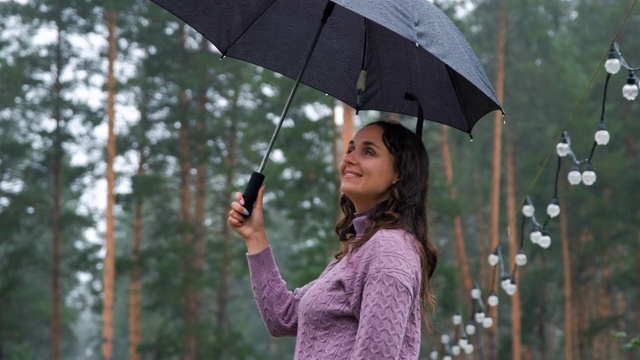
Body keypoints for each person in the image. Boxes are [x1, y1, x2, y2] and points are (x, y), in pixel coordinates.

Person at [227, 120, 438, 360]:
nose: (348, 158)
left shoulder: (388, 249)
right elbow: (282, 318)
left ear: (399, 174)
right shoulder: (361, 249)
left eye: (368, 151)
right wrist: (255, 235)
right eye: (350, 149)